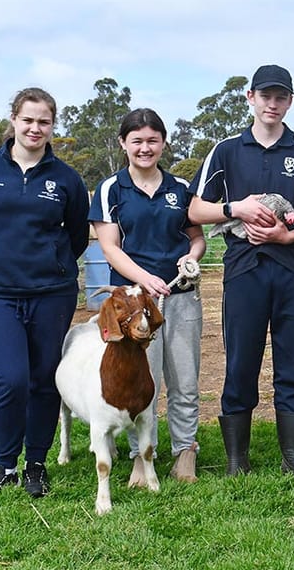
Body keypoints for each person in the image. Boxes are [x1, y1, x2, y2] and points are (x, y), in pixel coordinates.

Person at [187, 64, 294, 481]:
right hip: (243, 269)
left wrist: (289, 237)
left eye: (281, 97)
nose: (273, 104)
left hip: (292, 268)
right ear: (250, 97)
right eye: (265, 95)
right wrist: (234, 208)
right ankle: (238, 458)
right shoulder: (226, 151)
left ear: (290, 101)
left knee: (292, 361)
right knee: (241, 361)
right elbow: (195, 208)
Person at [0, 87, 89, 498]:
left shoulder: (66, 179)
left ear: (53, 127)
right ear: (13, 119)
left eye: (44, 122)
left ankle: (36, 464)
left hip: (51, 292)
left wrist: (51, 262)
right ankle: (4, 465)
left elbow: (78, 236)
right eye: (28, 119)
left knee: (44, 378)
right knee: (11, 377)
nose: (35, 128)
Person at [89, 108, 207, 483]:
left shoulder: (181, 188)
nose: (145, 148)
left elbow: (197, 238)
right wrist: (146, 281)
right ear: (123, 143)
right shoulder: (111, 190)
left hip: (181, 295)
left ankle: (185, 450)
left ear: (163, 143)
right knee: (142, 379)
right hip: (135, 303)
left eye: (152, 140)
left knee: (184, 377)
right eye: (137, 141)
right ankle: (143, 453)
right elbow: (111, 248)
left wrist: (191, 257)